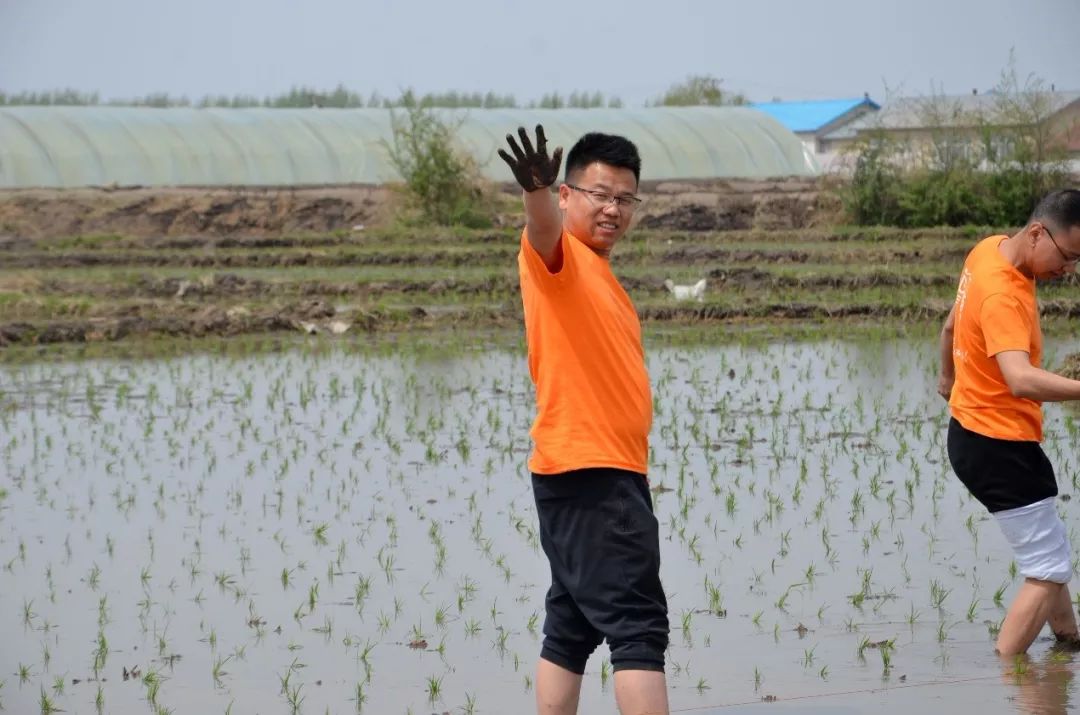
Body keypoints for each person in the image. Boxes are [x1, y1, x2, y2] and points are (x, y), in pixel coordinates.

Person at [498, 125, 669, 715]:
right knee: (638, 628)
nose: (613, 209)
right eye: (599, 194)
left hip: (586, 470)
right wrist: (535, 190)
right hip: (594, 472)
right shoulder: (559, 256)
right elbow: (541, 228)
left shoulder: (599, 271)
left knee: (570, 623)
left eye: (625, 198)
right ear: (568, 195)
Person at [939, 188, 1080, 656]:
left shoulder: (988, 249)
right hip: (998, 443)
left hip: (973, 434)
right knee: (1047, 568)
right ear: (1038, 233)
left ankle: (1070, 640)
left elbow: (950, 324)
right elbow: (1019, 379)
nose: (1069, 270)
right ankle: (1009, 671)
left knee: (1050, 552)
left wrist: (948, 376)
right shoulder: (1005, 293)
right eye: (1068, 256)